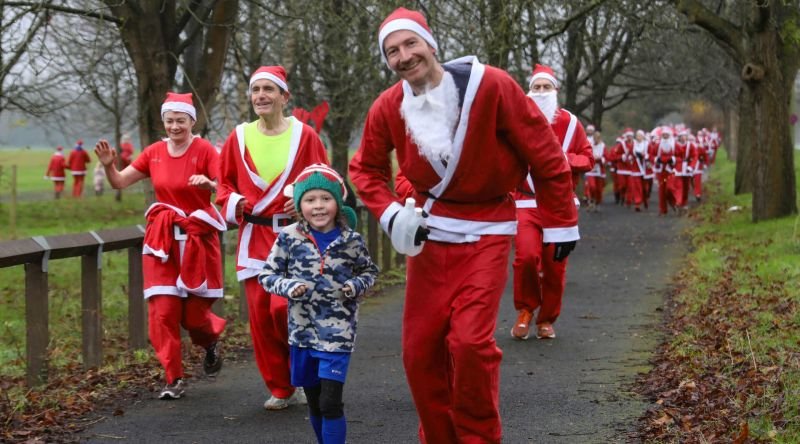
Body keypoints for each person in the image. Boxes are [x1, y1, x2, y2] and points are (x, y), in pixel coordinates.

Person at [348, 8, 578, 443]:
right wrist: (393, 213)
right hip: (430, 235)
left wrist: (561, 221)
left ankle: (479, 438)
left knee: (470, 345)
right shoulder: (388, 105)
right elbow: (365, 170)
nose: (403, 56)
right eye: (392, 51)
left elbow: (544, 152)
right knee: (419, 353)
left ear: (430, 44)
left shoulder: (491, 85)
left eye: (410, 44)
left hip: (489, 229)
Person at [94, 92, 227, 399]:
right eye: (170, 121)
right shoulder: (154, 152)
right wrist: (109, 166)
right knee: (163, 313)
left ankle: (209, 343)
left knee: (193, 317)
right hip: (163, 241)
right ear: (164, 122)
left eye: (181, 120)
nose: (175, 126)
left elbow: (226, 186)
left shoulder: (205, 150)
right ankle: (174, 378)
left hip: (196, 240)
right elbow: (120, 182)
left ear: (192, 121)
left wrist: (210, 185)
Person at [216, 65, 329, 410]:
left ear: (284, 96)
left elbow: (323, 177)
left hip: (294, 237)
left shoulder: (305, 136)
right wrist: (236, 202)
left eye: (268, 89)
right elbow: (223, 186)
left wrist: (309, 202)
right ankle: (281, 387)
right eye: (256, 90)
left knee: (284, 308)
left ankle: (308, 369)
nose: (261, 96)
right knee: (261, 318)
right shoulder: (237, 138)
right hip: (255, 236)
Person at [259, 164, 378, 444]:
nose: (319, 206)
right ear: (300, 205)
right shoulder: (289, 237)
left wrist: (354, 286)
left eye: (326, 199)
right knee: (314, 404)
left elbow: (369, 272)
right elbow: (267, 275)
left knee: (330, 403)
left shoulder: (352, 241)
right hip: (302, 333)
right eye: (310, 200)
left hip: (338, 335)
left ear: (338, 203)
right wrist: (288, 286)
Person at [510, 64, 593, 341]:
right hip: (525, 203)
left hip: (559, 205)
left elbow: (587, 158)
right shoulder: (516, 119)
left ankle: (547, 319)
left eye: (546, 87)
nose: (541, 92)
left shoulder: (570, 123)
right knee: (526, 257)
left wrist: (565, 159)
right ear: (528, 91)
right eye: (536, 87)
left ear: (555, 91)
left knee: (555, 267)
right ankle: (525, 310)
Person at [584, 131, 607, 210]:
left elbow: (606, 157)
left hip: (599, 170)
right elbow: (586, 154)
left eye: (597, 138)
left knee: (599, 189)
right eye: (595, 138)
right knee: (592, 186)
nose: (596, 139)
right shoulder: (590, 145)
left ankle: (597, 202)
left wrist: (600, 158)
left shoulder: (603, 146)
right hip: (591, 169)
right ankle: (591, 200)